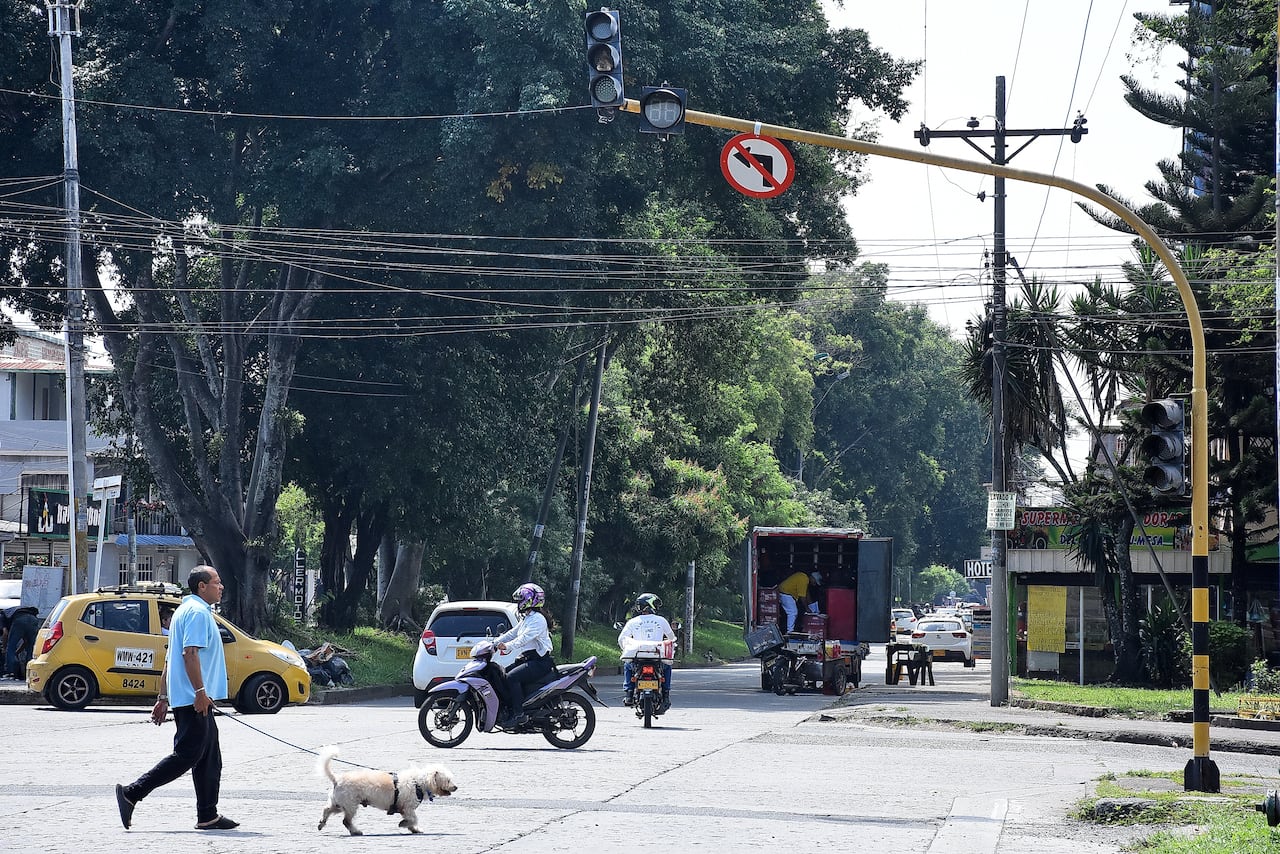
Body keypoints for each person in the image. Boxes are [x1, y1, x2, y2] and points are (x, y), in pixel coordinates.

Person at [116, 566, 239, 832]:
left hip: (190, 697)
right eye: (217, 582)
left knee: (209, 758)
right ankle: (132, 792)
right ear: (202, 586)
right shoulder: (195, 613)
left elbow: (170, 658)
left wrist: (162, 696)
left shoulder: (185, 610)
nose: (221, 587)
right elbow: (188, 654)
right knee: (187, 755)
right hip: (194, 699)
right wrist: (200, 692)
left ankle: (208, 815)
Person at [493, 582, 553, 726]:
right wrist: (494, 642)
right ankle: (508, 709)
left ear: (529, 600)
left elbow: (524, 638)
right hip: (528, 659)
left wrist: (507, 646)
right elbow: (512, 633)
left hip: (540, 662)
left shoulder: (537, 619)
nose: (519, 603)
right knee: (501, 675)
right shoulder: (528, 618)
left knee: (512, 677)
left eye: (521, 600)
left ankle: (519, 714)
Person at [617, 592, 675, 712]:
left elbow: (621, 639)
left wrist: (626, 650)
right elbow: (672, 638)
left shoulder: (633, 621)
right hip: (657, 656)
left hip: (638, 656)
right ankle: (666, 695)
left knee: (628, 666)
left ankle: (628, 694)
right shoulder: (661, 620)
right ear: (651, 605)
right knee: (668, 667)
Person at [3, 605, 39, 679]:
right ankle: (29, 674)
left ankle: (11, 673)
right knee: (30, 649)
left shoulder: (2, 615)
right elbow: (25, 641)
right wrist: (16, 652)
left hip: (20, 619)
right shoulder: (12, 612)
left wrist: (4, 648)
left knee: (10, 647)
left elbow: (5, 633)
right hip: (34, 619)